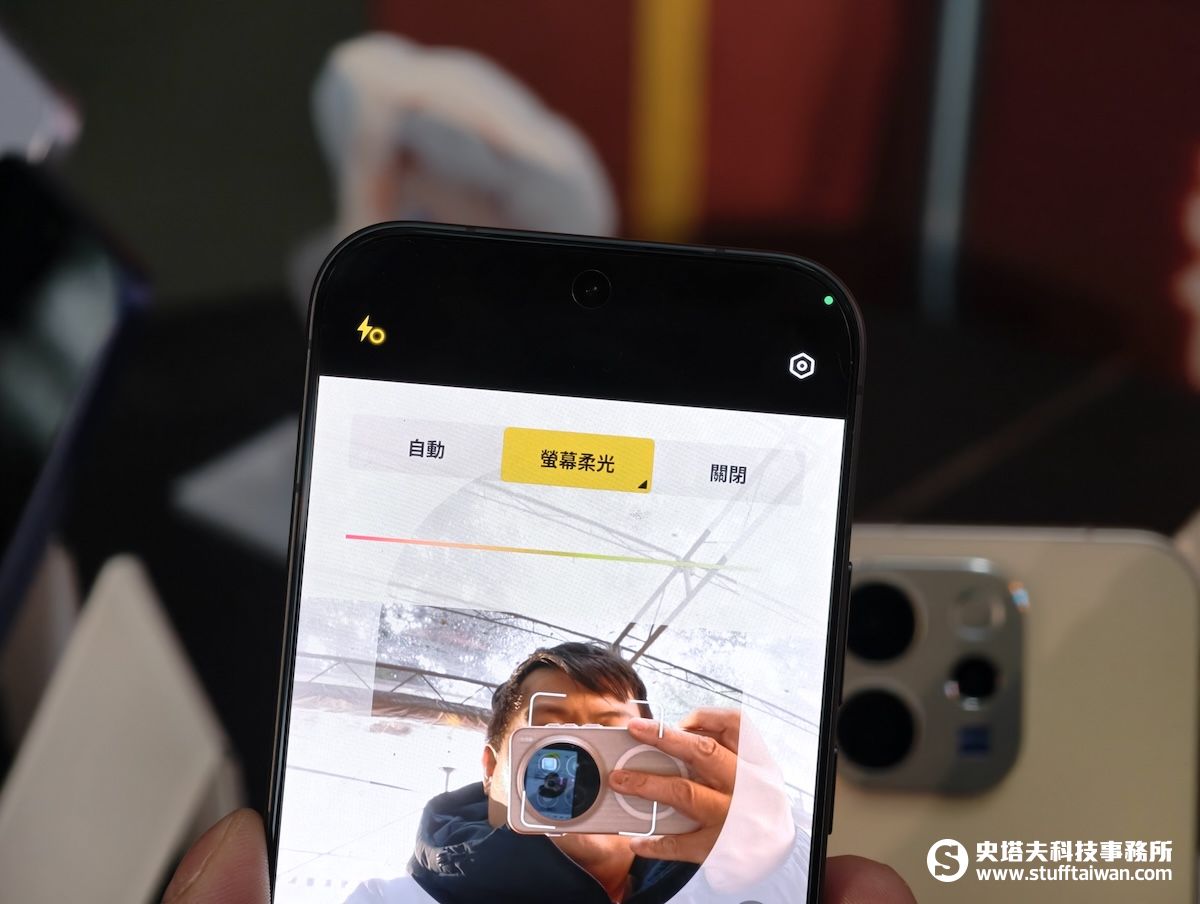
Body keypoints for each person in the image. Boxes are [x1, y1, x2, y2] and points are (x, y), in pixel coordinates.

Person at [159, 642, 915, 904]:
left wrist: (776, 855)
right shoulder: (384, 901)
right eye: (551, 742)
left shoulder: (732, 882)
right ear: (493, 769)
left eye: (610, 741)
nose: (578, 770)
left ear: (653, 760)